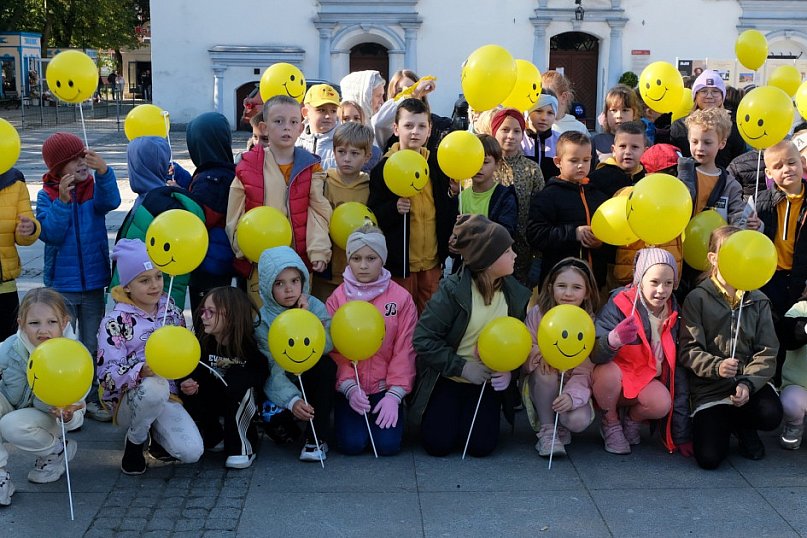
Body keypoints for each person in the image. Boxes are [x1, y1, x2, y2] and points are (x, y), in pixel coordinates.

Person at [411, 215, 530, 457]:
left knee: (481, 447)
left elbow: (519, 342)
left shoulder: (516, 296)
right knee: (437, 444)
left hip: (487, 382)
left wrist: (509, 372)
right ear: (487, 259)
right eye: (507, 251)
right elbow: (423, 338)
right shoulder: (452, 291)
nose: (515, 255)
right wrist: (463, 368)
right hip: (450, 377)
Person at [679, 226, 782, 469]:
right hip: (710, 389)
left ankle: (743, 425)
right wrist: (716, 366)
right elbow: (688, 350)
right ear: (713, 258)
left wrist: (747, 383)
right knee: (709, 458)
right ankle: (724, 424)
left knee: (770, 413)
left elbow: (767, 351)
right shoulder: (697, 298)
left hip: (748, 385)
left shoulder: (758, 300)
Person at [98, 239, 204, 475]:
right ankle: (135, 442)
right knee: (155, 386)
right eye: (144, 280)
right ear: (127, 286)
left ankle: (157, 435)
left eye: (158, 276)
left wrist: (184, 379)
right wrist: (140, 371)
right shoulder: (114, 321)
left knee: (191, 452)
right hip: (128, 400)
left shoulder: (172, 311)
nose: (155, 285)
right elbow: (107, 375)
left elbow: (182, 352)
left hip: (168, 395)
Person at [37, 132, 121, 422]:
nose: (81, 163)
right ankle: (67, 399)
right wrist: (62, 201)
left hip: (94, 281)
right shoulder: (46, 195)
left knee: (93, 343)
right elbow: (50, 233)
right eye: (73, 160)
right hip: (62, 285)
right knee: (65, 343)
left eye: (83, 156)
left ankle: (93, 397)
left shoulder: (92, 188)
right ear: (57, 169)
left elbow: (112, 201)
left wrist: (105, 172)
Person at [228, 95, 332, 306]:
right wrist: (243, 248)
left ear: (300, 129)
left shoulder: (311, 168)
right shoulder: (248, 166)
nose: (287, 127)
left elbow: (318, 212)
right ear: (264, 128)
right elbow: (235, 214)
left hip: (298, 262)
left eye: (293, 122)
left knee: (296, 318)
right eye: (278, 121)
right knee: (262, 318)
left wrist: (318, 250)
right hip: (260, 263)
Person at [326, 226, 417, 456]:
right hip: (352, 387)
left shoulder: (401, 298)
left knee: (387, 446)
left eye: (371, 258)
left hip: (384, 387)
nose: (363, 265)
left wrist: (395, 394)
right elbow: (333, 350)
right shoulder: (337, 299)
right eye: (356, 258)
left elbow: (405, 348)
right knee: (351, 445)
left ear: (382, 260)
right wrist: (348, 387)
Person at [590, 248, 690, 455]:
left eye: (668, 283)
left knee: (661, 403)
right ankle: (610, 422)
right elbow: (596, 354)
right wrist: (613, 340)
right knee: (607, 372)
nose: (661, 290)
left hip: (644, 379)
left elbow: (677, 369)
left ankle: (631, 419)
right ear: (640, 280)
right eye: (654, 282)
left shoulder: (675, 311)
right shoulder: (619, 303)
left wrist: (681, 435)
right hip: (613, 380)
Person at [367, 98, 458, 313]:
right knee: (401, 315)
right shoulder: (384, 168)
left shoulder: (436, 165)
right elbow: (373, 213)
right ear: (396, 129)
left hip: (432, 262)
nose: (415, 132)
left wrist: (453, 194)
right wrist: (394, 209)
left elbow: (443, 210)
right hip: (401, 264)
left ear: (429, 130)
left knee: (429, 315)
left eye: (421, 126)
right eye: (408, 125)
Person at [0, 288, 84, 505]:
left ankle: (56, 451)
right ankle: (1, 477)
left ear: (64, 322)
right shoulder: (9, 348)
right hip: (12, 403)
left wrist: (68, 416)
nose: (43, 330)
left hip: (47, 416)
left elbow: (78, 410)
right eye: (34, 323)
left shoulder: (75, 356)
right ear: (21, 323)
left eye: (51, 322)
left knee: (11, 425)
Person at [255, 246, 335, 462]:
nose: (289, 289)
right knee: (283, 432)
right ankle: (289, 419)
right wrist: (292, 400)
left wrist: (306, 319)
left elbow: (327, 345)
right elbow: (271, 367)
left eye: (294, 281)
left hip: (310, 377)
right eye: (279, 283)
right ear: (267, 286)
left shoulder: (314, 306)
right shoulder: (263, 320)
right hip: (281, 382)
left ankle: (316, 438)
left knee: (326, 366)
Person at [180, 286, 269, 469]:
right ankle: (213, 435)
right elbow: (193, 369)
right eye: (203, 310)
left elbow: (261, 373)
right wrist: (187, 382)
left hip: (240, 400)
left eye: (210, 312)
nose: (203, 316)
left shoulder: (248, 346)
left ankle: (242, 446)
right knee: (194, 386)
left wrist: (239, 378)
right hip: (215, 397)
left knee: (240, 387)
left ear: (231, 316)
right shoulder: (203, 343)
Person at [111, 135, 202, 308]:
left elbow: (173, 266)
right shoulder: (150, 199)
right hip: (144, 300)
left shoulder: (159, 205)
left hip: (153, 304)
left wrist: (163, 308)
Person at [523, 258, 599, 457]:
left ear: (587, 292)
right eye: (562, 286)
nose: (568, 293)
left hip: (572, 383)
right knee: (545, 371)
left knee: (577, 420)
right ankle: (548, 431)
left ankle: (562, 424)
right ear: (550, 288)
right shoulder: (538, 314)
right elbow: (526, 346)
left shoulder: (589, 323)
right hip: (541, 382)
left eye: (576, 287)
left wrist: (572, 397)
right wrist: (540, 354)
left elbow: (585, 371)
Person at [527, 131, 609, 289]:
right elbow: (535, 234)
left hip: (593, 284)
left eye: (586, 160)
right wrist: (573, 233)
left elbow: (612, 239)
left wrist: (600, 243)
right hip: (558, 283)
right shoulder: (548, 196)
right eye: (574, 160)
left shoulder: (598, 196)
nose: (581, 165)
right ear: (558, 162)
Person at [185, 112, 238, 312]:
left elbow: (201, 215)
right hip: (221, 258)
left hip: (208, 262)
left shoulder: (211, 179)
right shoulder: (226, 171)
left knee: (207, 316)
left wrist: (180, 197)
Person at [316, 122, 375, 298]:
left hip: (358, 273)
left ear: (367, 156)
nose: (347, 158)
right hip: (326, 269)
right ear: (334, 152)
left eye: (354, 153)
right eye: (341, 152)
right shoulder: (323, 182)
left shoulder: (370, 188)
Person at [492, 108, 544, 286]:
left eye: (517, 131)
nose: (511, 136)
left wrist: (537, 254)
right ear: (494, 131)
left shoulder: (532, 169)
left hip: (523, 252)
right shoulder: (485, 166)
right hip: (491, 250)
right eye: (505, 130)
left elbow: (540, 213)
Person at [678, 107, 747, 226]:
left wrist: (751, 224)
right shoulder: (681, 173)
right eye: (695, 142)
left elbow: (738, 216)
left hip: (716, 237)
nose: (700, 148)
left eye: (707, 143)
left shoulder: (729, 184)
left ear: (722, 143)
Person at [670, 69, 747, 170]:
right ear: (695, 96)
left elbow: (740, 164)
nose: (709, 96)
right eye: (703, 91)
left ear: (722, 96)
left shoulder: (733, 129)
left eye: (715, 91)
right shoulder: (679, 126)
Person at [0, 167, 40, 340]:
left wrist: (29, 229)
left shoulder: (14, 180)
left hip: (4, 287)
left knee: (6, 347)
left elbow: (25, 235)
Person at [460, 134, 517, 238]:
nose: (479, 167)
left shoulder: (505, 197)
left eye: (485, 162)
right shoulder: (461, 197)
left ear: (497, 165)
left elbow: (505, 234)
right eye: (474, 160)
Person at [589, 120, 646, 198]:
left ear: (644, 151)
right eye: (622, 146)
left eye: (635, 147)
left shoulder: (646, 178)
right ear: (614, 150)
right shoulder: (598, 178)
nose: (628, 152)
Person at [779, 291, 807, 449]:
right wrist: (805, 328)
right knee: (791, 404)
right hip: (800, 386)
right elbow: (786, 335)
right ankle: (794, 425)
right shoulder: (801, 308)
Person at [591, 85, 641, 166]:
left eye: (625, 110)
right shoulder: (595, 142)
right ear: (606, 114)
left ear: (634, 114)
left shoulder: (643, 141)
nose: (619, 115)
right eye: (613, 110)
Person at [296, 84, 341, 170]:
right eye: (321, 110)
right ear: (305, 112)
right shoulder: (296, 140)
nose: (328, 116)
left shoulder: (343, 142)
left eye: (333, 111)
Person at [525, 92, 561, 181]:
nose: (544, 118)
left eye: (550, 113)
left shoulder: (561, 141)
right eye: (538, 111)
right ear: (528, 112)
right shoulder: (518, 140)